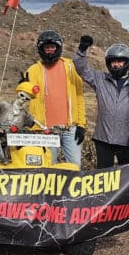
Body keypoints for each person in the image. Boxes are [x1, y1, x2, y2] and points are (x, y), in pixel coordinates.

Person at [20, 30, 86, 166]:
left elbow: (79, 98)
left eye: (52, 47)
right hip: (45, 130)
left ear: (58, 48)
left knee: (74, 165)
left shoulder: (71, 67)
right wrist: (21, 87)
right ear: (41, 49)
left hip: (70, 129)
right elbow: (24, 96)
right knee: (48, 166)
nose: (50, 50)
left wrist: (81, 125)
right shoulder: (32, 70)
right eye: (46, 47)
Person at [74, 36, 129, 168]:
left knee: (126, 177)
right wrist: (82, 49)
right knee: (103, 177)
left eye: (120, 61)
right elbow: (81, 68)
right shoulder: (100, 79)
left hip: (127, 141)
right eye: (113, 61)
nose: (116, 64)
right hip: (103, 139)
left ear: (127, 62)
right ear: (108, 63)